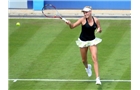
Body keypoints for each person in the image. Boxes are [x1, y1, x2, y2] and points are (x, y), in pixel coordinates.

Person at [66, 6, 102, 85]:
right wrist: (69, 24)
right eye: (84, 12)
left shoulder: (96, 20)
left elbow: (99, 28)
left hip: (92, 41)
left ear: (90, 12)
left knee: (94, 58)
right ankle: (87, 67)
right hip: (83, 41)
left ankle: (97, 78)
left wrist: (99, 30)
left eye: (86, 12)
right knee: (84, 60)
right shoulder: (82, 20)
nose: (85, 14)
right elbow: (72, 27)